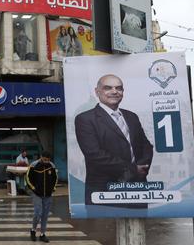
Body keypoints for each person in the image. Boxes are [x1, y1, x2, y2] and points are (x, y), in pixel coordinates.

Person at [75, 74, 154, 208]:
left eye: (119, 88)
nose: (114, 91)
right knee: (104, 229)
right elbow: (94, 154)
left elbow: (146, 146)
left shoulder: (132, 116)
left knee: (138, 227)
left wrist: (142, 167)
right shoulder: (85, 119)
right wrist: (132, 170)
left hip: (137, 189)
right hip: (104, 192)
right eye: (108, 88)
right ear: (97, 91)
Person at [26, 150, 57, 243]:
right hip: (37, 194)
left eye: (48, 160)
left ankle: (42, 234)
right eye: (45, 159)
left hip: (48, 194)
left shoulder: (52, 166)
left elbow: (55, 178)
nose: (46, 161)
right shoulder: (34, 165)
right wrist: (33, 188)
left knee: (45, 215)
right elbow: (27, 178)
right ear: (41, 157)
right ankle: (33, 230)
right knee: (38, 213)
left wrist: (53, 188)